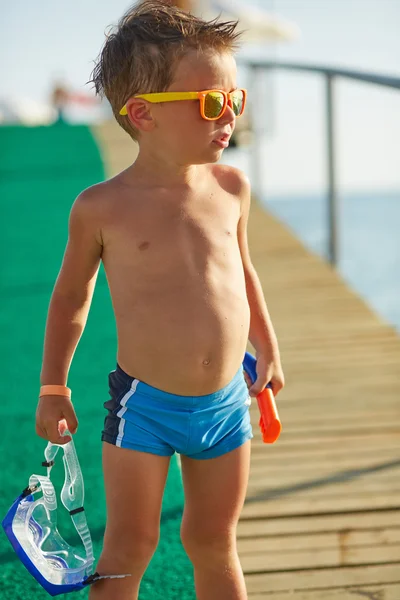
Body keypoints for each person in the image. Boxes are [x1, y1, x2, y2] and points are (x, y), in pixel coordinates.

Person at [35, 2, 284, 599]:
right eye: (208, 104)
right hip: (143, 408)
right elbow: (72, 294)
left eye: (234, 101)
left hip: (226, 405)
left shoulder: (232, 187)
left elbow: (243, 273)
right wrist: (52, 386)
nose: (227, 117)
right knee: (131, 542)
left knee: (213, 540)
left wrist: (268, 349)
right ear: (143, 114)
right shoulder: (103, 207)